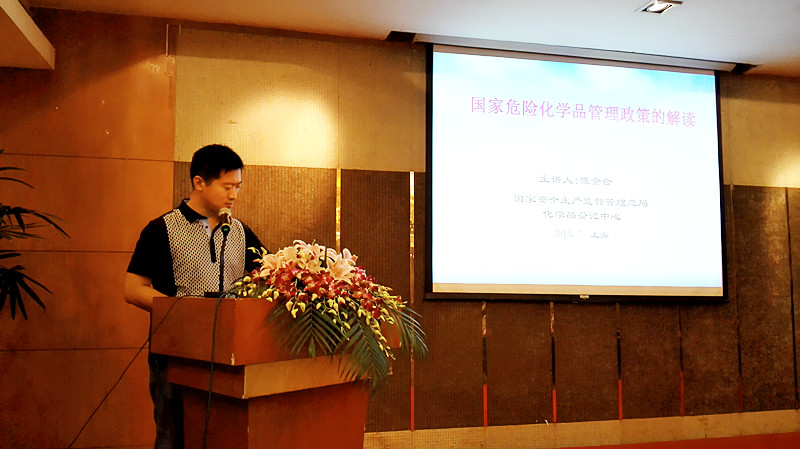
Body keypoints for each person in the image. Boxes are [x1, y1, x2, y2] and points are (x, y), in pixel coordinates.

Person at [124, 144, 263, 449]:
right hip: (175, 354)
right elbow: (133, 289)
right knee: (173, 436)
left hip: (228, 355)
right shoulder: (161, 229)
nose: (234, 195)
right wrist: (184, 310)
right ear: (199, 182)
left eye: (238, 186)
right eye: (227, 186)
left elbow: (268, 277)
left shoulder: (241, 232)